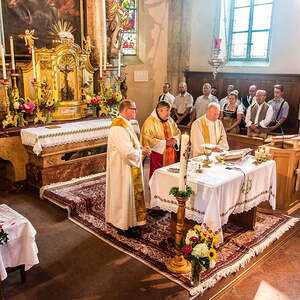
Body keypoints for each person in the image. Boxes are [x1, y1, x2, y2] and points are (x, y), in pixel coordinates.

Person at [105, 99, 151, 238]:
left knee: (129, 196)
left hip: (129, 167)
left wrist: (141, 149)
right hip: (123, 169)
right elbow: (126, 152)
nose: (136, 111)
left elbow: (132, 145)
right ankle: (122, 225)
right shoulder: (118, 127)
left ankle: (132, 222)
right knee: (123, 196)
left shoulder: (126, 123)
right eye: (134, 109)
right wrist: (141, 152)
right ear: (125, 110)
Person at [140, 101, 181, 178]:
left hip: (171, 154)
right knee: (158, 177)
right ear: (159, 110)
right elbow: (147, 139)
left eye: (170, 110)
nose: (169, 113)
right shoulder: (149, 122)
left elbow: (177, 132)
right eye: (167, 110)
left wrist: (175, 140)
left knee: (170, 176)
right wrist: (165, 143)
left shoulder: (170, 120)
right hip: (157, 156)